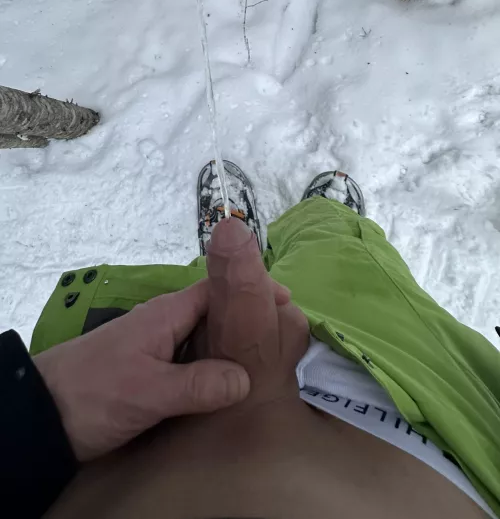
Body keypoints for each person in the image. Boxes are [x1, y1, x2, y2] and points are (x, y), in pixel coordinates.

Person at [1, 166, 500, 519]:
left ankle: (229, 243)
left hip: (109, 426)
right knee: (341, 259)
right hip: (435, 403)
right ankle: (324, 217)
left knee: (201, 292)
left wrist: (34, 414)